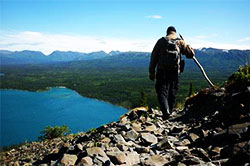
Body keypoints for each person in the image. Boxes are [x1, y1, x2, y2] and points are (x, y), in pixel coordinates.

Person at [149, 26, 194, 120]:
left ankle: (166, 111)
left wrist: (152, 71)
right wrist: (186, 45)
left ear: (167, 32)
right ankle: (170, 110)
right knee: (173, 90)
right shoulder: (180, 41)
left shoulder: (161, 41)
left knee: (161, 90)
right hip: (175, 71)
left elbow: (154, 56)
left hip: (162, 70)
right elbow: (190, 54)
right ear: (175, 32)